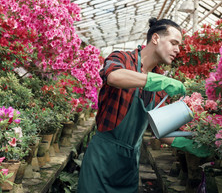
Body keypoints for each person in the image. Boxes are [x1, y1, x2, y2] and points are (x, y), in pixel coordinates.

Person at [77, 17, 186, 193]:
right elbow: (114, 77)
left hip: (128, 166)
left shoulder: (160, 86)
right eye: (173, 43)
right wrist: (156, 80)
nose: (177, 50)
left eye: (179, 45)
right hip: (102, 159)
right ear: (156, 38)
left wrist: (190, 143)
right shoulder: (121, 58)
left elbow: (161, 129)